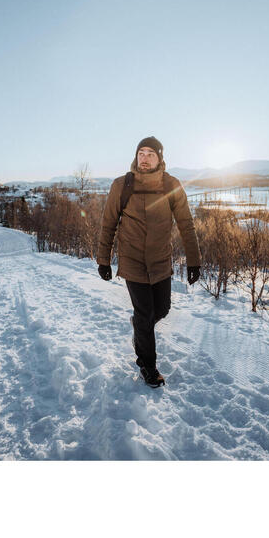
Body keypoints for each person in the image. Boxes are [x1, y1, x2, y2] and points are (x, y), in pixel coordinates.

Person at [96, 136, 201, 388]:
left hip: (160, 261)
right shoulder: (121, 185)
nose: (144, 158)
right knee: (145, 314)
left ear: (160, 158)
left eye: (150, 154)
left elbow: (186, 224)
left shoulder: (171, 185)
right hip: (132, 261)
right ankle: (148, 366)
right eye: (141, 153)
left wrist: (194, 261)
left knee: (161, 309)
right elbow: (108, 223)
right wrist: (104, 260)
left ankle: (140, 328)